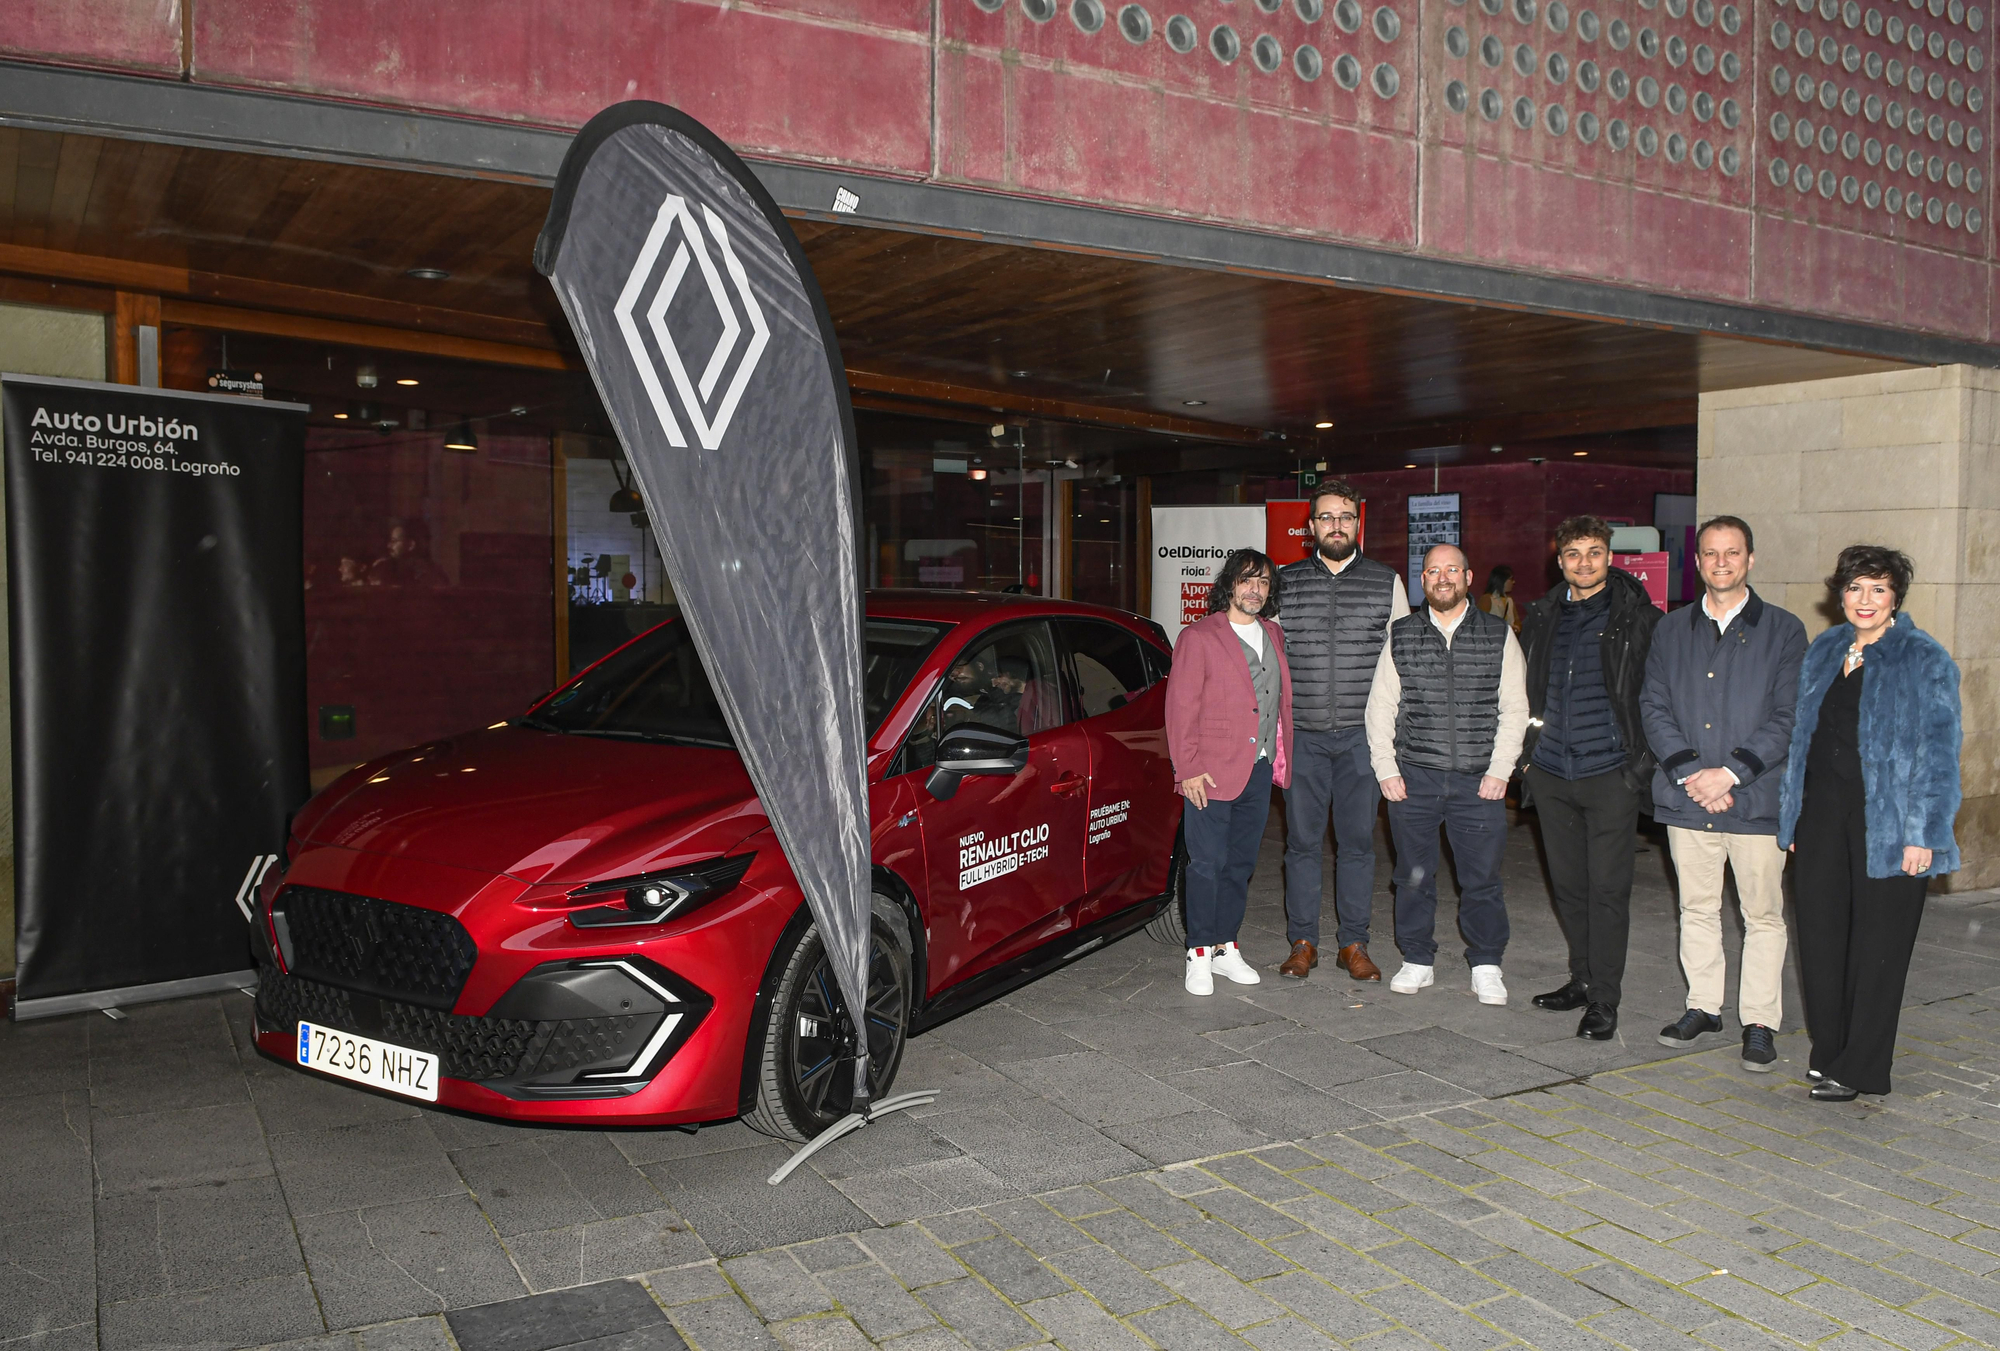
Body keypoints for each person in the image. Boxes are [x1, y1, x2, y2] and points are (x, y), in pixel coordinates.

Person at [1778, 546, 1961, 1101]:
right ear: (1840, 594)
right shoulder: (1825, 650)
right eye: (1855, 587)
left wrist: (1923, 834)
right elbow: (1802, 741)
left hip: (1891, 825)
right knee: (1821, 938)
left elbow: (1939, 753)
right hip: (1821, 818)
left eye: (1878, 588)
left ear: (1895, 598)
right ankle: (1829, 1052)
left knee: (1877, 949)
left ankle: (1860, 1067)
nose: (1865, 599)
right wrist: (1794, 816)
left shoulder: (1924, 657)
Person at [1639, 516, 1806, 1072]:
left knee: (1763, 915)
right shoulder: (1671, 629)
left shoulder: (1783, 630)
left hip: (1755, 801)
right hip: (1688, 799)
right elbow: (1653, 706)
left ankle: (1759, 1021)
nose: (1721, 562)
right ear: (1698, 561)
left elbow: (1789, 716)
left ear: (1750, 559)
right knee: (1697, 908)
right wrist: (1694, 774)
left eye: (1732, 553)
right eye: (1711, 553)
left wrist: (1730, 774)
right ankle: (1703, 1006)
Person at [1518, 515, 1661, 1040]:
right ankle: (1581, 978)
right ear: (1560, 561)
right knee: (1570, 887)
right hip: (1552, 773)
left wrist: (1638, 766)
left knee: (1607, 890)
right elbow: (1528, 690)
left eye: (1594, 552)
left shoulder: (1638, 618)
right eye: (1574, 554)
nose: (1584, 563)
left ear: (1609, 557)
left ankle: (1604, 997)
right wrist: (1528, 762)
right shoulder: (1542, 617)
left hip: (1610, 775)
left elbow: (1656, 696)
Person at [1365, 545, 1529, 1003]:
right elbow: (1381, 706)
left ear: (1468, 577)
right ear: (1423, 580)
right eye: (1433, 570)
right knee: (1412, 876)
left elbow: (1515, 708)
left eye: (1452, 569)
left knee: (1482, 879)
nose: (1443, 577)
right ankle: (1417, 959)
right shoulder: (1401, 634)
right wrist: (1386, 768)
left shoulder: (1497, 634)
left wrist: (1500, 770)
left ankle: (1487, 963)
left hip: (1479, 781)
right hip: (1414, 778)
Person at [1276, 481, 1408, 982]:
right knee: (1302, 845)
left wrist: (1395, 737)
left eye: (1345, 517)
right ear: (1311, 526)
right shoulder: (1283, 582)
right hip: (1302, 736)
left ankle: (1353, 942)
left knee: (1357, 845)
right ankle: (1303, 942)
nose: (1336, 525)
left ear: (1357, 524)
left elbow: (1401, 662)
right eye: (1327, 517)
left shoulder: (1386, 581)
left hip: (1362, 737)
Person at [1167, 548, 1294, 997]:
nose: (1255, 589)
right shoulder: (1199, 636)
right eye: (1246, 580)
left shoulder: (1274, 634)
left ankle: (1226, 946)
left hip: (1258, 768)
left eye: (1263, 582)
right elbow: (1180, 707)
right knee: (1206, 864)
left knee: (1240, 864)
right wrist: (1188, 769)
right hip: (1210, 772)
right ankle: (1198, 951)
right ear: (1230, 585)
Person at [1478, 565, 1521, 633]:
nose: (1513, 582)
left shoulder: (1509, 600)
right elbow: (1479, 623)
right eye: (1511, 579)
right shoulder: (1487, 599)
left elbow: (1517, 621)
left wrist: (1516, 628)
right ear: (1501, 580)